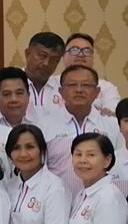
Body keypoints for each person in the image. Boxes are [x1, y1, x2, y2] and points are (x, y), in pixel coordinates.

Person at [44, 65, 123, 195]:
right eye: (72, 85)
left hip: (101, 201)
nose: (79, 90)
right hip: (57, 201)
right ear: (61, 91)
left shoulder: (113, 126)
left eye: (86, 85)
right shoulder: (45, 125)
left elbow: (119, 167)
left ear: (97, 92)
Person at [58, 33, 122, 115]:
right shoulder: (50, 84)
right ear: (63, 55)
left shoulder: (107, 88)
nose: (81, 55)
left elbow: (112, 115)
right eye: (74, 50)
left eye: (87, 51)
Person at [19, 32, 67, 123]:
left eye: (54, 60)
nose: (46, 63)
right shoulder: (8, 84)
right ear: (27, 53)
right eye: (42, 56)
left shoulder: (63, 88)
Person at [0, 66, 34, 131]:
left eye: (19, 93)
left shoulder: (41, 123)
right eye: (7, 94)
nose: (14, 99)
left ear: (28, 96)